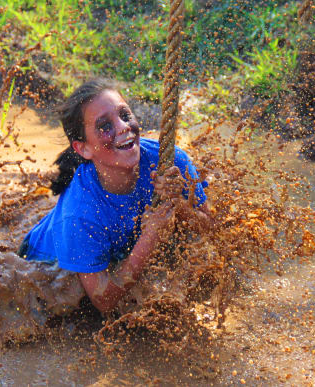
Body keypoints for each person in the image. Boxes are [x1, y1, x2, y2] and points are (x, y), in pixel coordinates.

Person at [18, 79, 212, 313]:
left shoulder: (171, 162)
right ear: (83, 149)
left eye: (125, 114)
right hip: (47, 266)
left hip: (110, 246)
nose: (123, 128)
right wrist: (150, 237)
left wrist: (178, 205)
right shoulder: (81, 214)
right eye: (104, 126)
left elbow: (213, 230)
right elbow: (104, 302)